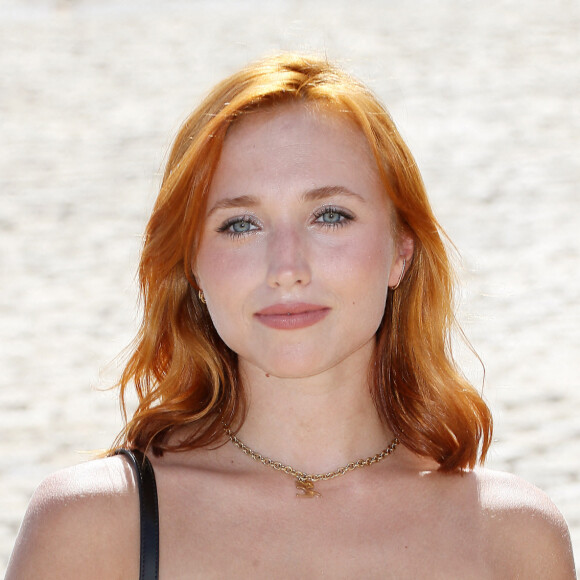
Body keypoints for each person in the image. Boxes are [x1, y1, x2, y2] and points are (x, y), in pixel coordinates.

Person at [6, 53, 575, 579]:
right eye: (240, 224)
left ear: (401, 249)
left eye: (329, 215)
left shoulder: (511, 540)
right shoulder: (92, 528)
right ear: (193, 267)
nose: (286, 267)